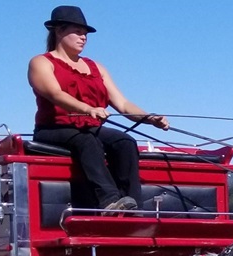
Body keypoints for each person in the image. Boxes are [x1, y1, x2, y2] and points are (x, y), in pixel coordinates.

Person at [28, 5, 169, 213]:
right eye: (77, 32)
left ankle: (131, 204)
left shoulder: (96, 67)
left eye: (85, 33)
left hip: (89, 127)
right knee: (87, 141)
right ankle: (108, 201)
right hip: (54, 128)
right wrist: (88, 108)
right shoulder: (41, 62)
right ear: (58, 31)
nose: (83, 37)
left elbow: (122, 104)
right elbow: (55, 94)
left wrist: (149, 118)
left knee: (125, 142)